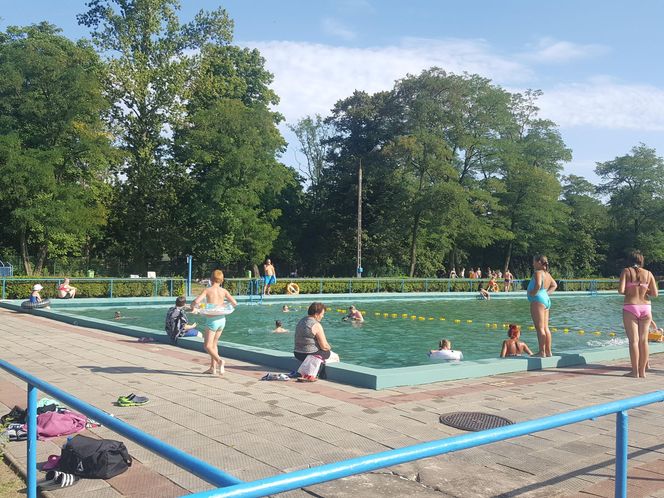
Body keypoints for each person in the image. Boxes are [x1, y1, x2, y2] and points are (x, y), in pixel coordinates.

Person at [618, 250, 658, 378]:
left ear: (629, 260)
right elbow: (655, 294)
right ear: (641, 261)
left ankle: (634, 372)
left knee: (634, 341)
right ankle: (643, 372)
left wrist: (631, 290)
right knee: (644, 341)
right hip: (646, 307)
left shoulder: (626, 271)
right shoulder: (649, 273)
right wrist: (644, 289)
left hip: (631, 306)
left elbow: (621, 290)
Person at [191, 269, 238, 375]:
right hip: (222, 320)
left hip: (212, 321)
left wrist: (192, 306)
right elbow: (234, 303)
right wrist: (222, 305)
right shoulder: (224, 291)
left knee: (207, 346)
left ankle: (220, 361)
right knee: (214, 344)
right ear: (221, 280)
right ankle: (213, 368)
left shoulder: (207, 290)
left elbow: (196, 301)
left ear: (211, 279)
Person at [294, 302, 336, 380]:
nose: (323, 316)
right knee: (331, 354)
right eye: (322, 314)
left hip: (297, 353)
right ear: (316, 314)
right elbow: (324, 346)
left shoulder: (301, 321)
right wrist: (329, 347)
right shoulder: (316, 324)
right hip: (308, 354)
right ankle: (320, 372)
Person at [528, 255, 558, 357]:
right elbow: (554, 285)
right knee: (546, 328)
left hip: (538, 300)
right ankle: (548, 351)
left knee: (539, 328)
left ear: (539, 262)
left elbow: (538, 284)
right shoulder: (547, 274)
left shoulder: (538, 273)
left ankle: (541, 352)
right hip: (545, 300)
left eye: (534, 262)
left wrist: (533, 293)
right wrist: (546, 294)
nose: (533, 264)